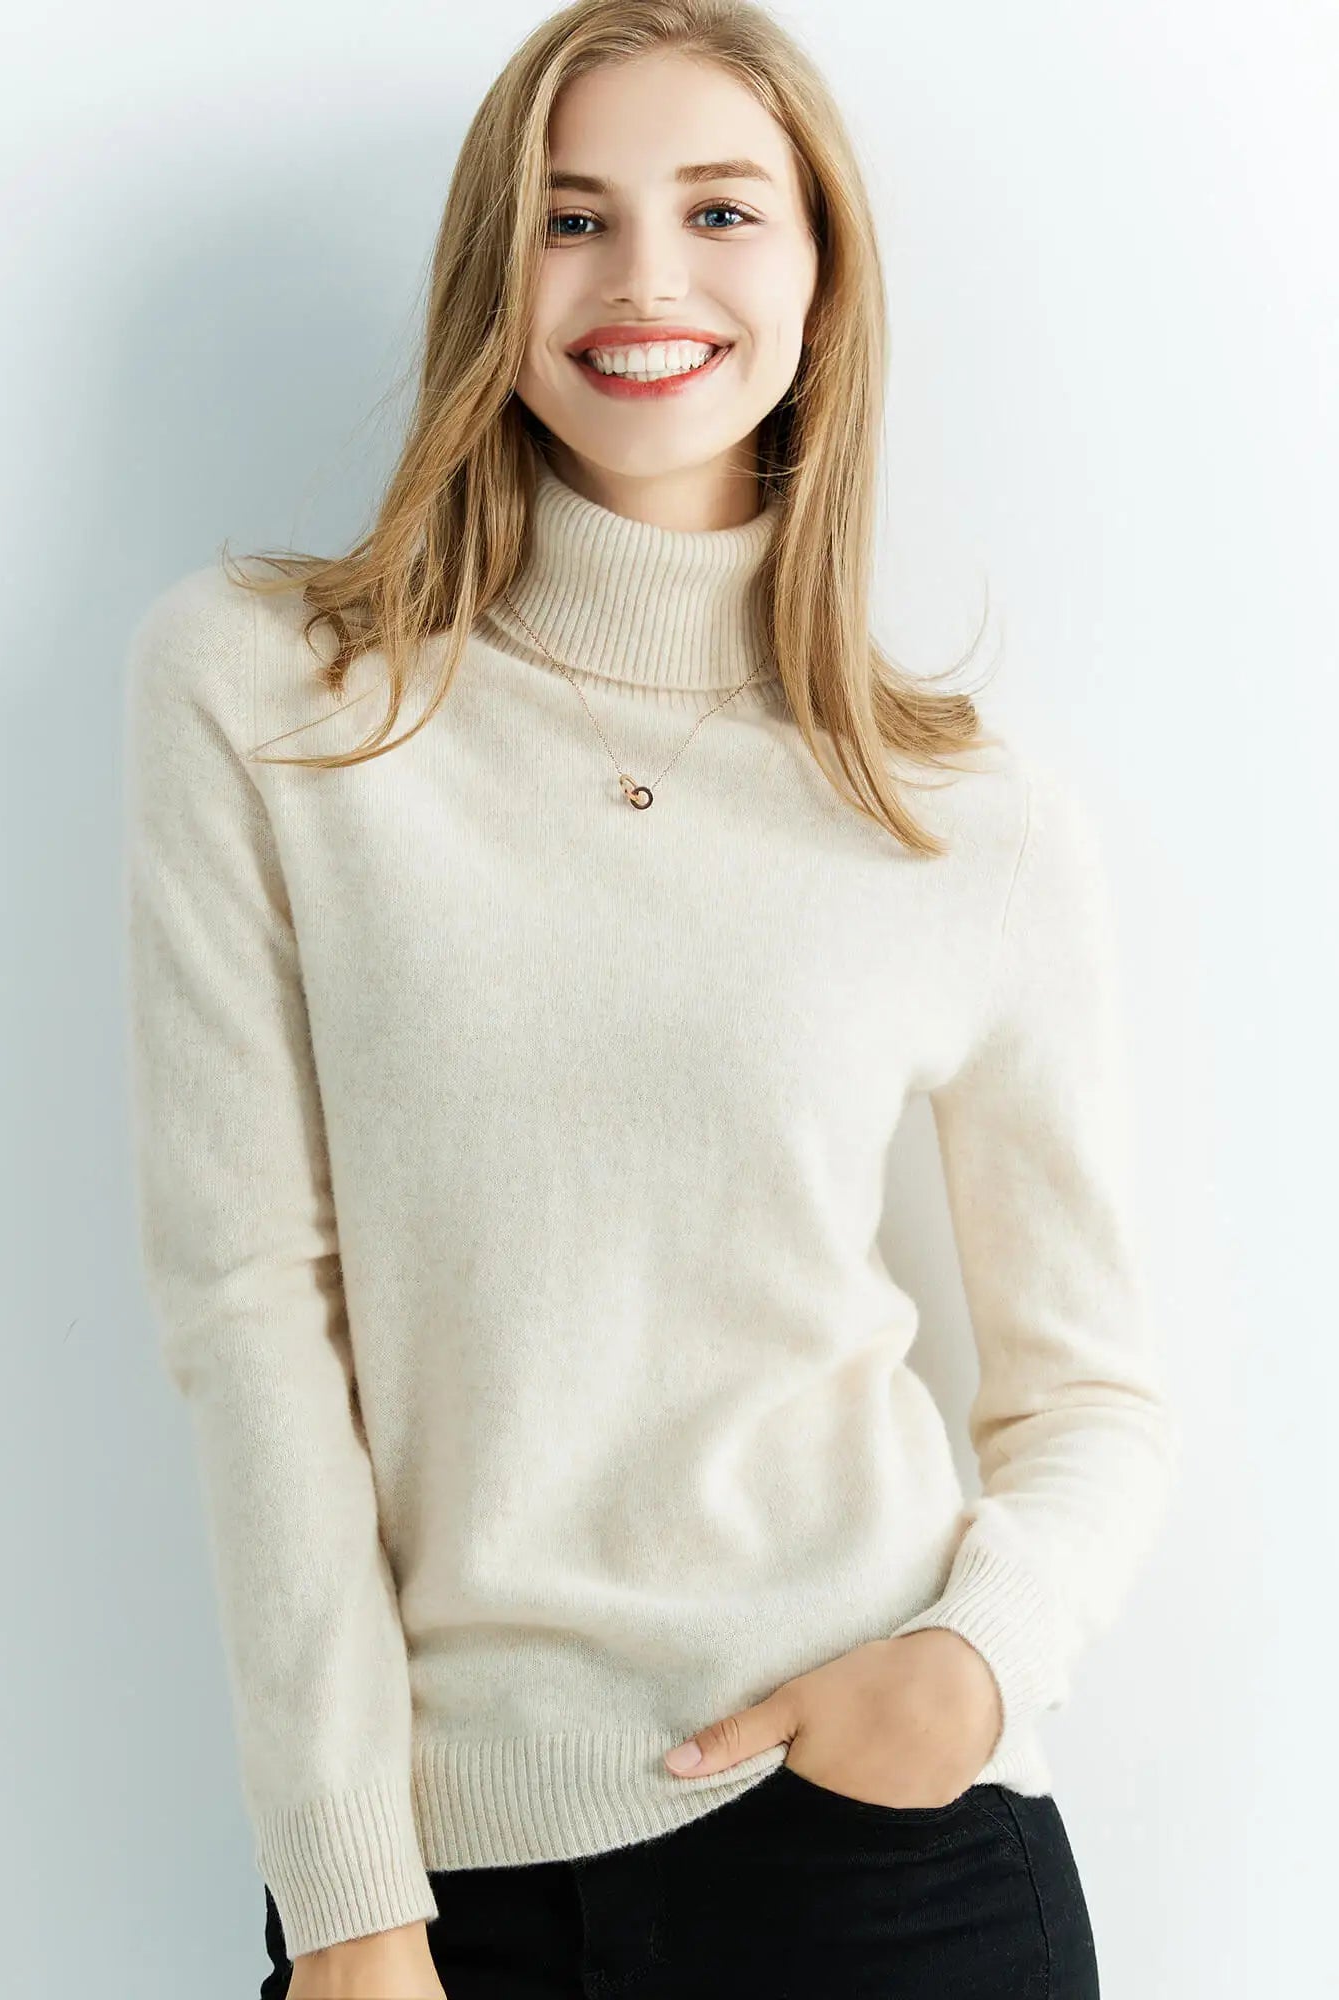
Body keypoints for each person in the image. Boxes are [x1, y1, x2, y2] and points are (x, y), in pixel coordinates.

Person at [122, 3, 1179, 1995]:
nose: (647, 282)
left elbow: (1090, 1395)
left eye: (722, 210)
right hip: (444, 1884)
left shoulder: (964, 813)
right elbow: (252, 1311)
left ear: (821, 274)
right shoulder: (274, 695)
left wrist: (974, 1665)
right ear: (492, 269)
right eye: (573, 216)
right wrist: (350, 1896)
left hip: (890, 1865)